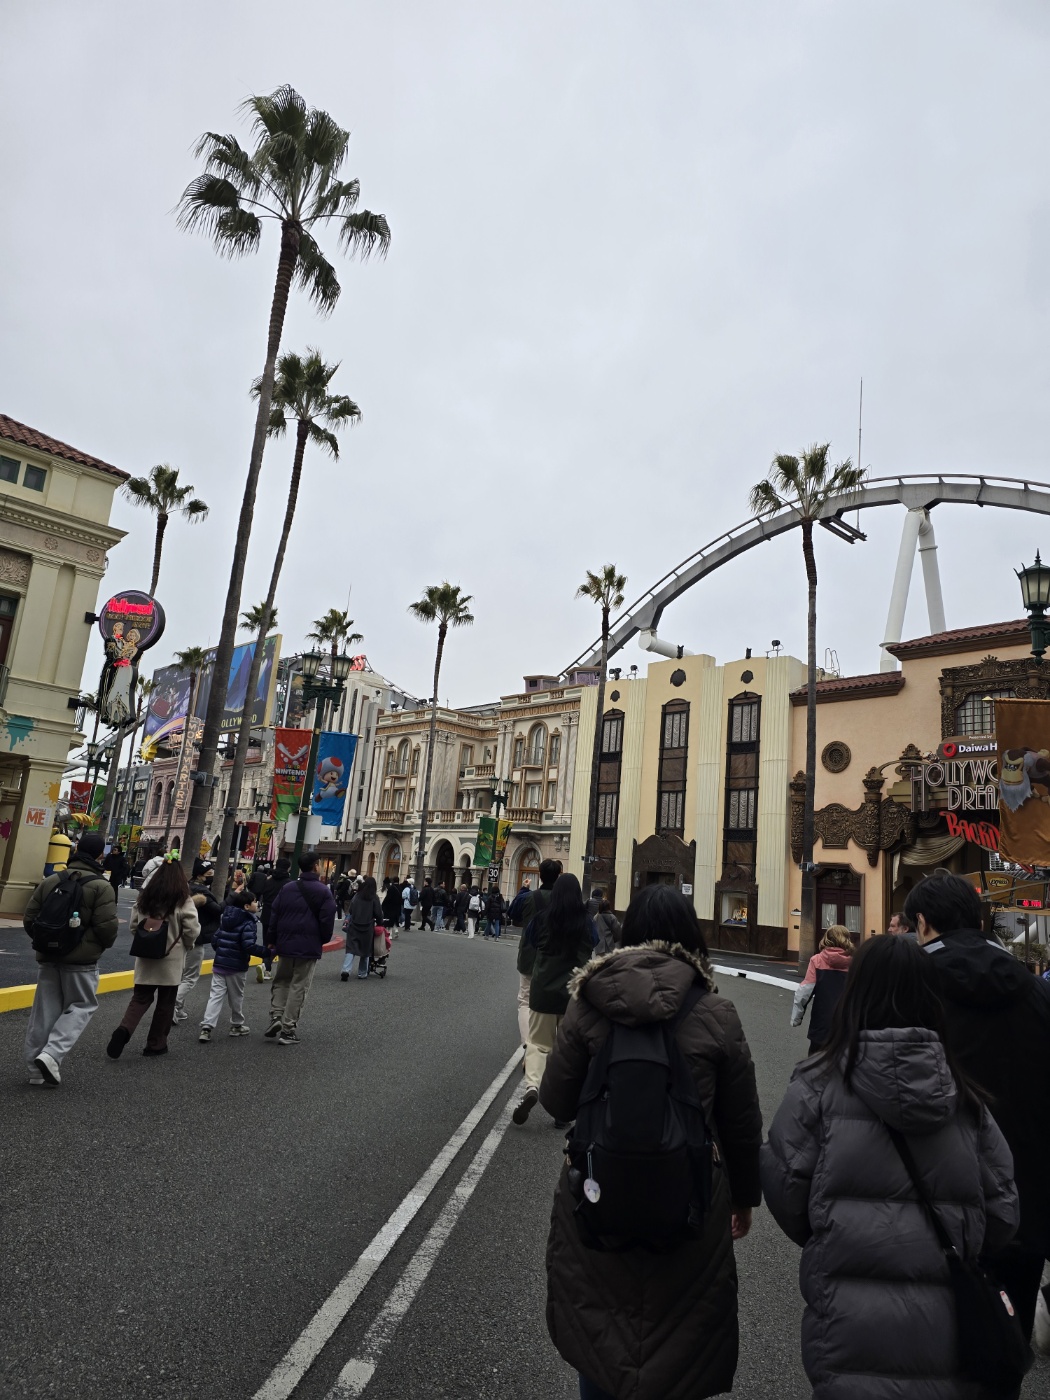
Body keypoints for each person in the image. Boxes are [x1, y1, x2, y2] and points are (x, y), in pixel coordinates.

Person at [762, 933, 1019, 1400]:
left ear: (856, 993)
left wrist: (831, 1230)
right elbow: (1003, 1211)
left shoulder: (816, 1085)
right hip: (949, 1322)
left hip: (845, 1317)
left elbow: (784, 1187)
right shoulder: (966, 1100)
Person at [540, 884, 763, 1399]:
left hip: (599, 1199)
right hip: (689, 1203)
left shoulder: (590, 1003)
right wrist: (745, 1198)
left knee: (601, 1335)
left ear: (630, 931)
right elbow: (741, 1124)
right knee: (682, 1338)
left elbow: (557, 1100)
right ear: (690, 934)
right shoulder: (716, 1013)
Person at [905, 873, 1050, 1347]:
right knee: (1005, 1346)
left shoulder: (908, 991)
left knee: (924, 1350)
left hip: (928, 1200)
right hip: (1024, 1197)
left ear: (923, 924)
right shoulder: (1036, 994)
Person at [21, 831, 119, 1085]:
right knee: (81, 1005)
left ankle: (34, 1069)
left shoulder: (51, 880)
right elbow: (106, 927)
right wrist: (96, 946)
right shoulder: (101, 886)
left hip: (48, 955)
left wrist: (46, 941)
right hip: (80, 961)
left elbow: (30, 918)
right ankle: (52, 1054)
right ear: (100, 854)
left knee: (44, 1011)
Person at [513, 873, 594, 1125]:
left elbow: (532, 942)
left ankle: (532, 1086)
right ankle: (562, 1110)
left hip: (544, 990)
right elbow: (595, 944)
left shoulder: (542, 919)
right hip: (573, 992)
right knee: (568, 1051)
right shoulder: (586, 921)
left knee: (538, 1043)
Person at [107, 858, 200, 1059]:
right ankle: (155, 1044)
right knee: (166, 1002)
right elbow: (192, 930)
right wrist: (187, 945)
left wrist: (147, 939)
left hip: (146, 955)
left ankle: (124, 1029)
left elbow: (133, 926)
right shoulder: (183, 899)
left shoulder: (145, 898)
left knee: (140, 998)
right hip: (171, 958)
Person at [265, 854, 337, 1045]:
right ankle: (288, 1028)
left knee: (281, 980)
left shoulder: (287, 888)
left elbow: (275, 915)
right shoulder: (323, 892)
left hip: (285, 943)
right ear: (315, 866)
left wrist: (272, 939)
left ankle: (276, 1016)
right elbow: (327, 920)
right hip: (308, 946)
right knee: (299, 986)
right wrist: (321, 940)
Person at [199, 890, 265, 1041]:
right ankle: (236, 1025)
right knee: (236, 996)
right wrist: (267, 952)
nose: (257, 904)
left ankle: (206, 1027)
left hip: (220, 964)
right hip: (237, 966)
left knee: (215, 995)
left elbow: (216, 940)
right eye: (255, 901)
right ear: (247, 906)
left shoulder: (227, 919)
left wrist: (222, 953)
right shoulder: (248, 922)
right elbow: (248, 946)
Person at [790, 924, 854, 1055]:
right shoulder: (856, 963)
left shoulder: (817, 960)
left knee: (815, 1066)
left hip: (822, 1024)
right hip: (848, 1024)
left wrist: (796, 1018)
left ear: (827, 939)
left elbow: (804, 992)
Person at [516, 859, 560, 1048]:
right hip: (554, 957)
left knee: (525, 999)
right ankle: (550, 1044)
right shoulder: (563, 901)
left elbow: (514, 915)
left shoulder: (528, 898)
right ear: (558, 875)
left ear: (539, 875)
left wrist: (524, 890)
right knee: (553, 1001)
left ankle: (527, 1042)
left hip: (529, 954)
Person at [174, 869, 222, 1024]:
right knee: (190, 977)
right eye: (209, 873)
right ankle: (173, 1006)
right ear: (200, 875)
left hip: (177, 938)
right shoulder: (202, 893)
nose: (211, 876)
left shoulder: (184, 887)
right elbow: (218, 910)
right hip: (196, 939)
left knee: (181, 976)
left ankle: (178, 1009)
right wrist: (235, 896)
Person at [342, 876, 384, 980]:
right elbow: (378, 913)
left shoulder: (357, 895)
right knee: (365, 950)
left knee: (351, 948)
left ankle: (346, 970)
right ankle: (362, 972)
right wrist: (380, 923)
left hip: (354, 925)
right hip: (367, 927)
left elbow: (351, 909)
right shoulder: (374, 898)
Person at [258, 857, 291, 982]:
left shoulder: (268, 881)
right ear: (288, 868)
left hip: (267, 914)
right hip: (282, 916)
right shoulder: (289, 883)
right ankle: (282, 971)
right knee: (281, 943)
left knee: (266, 942)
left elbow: (262, 894)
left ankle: (266, 967)